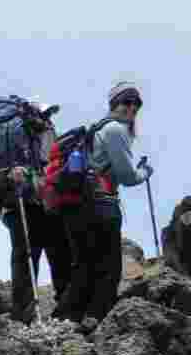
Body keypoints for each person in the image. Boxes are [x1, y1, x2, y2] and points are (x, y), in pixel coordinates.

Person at [56, 82, 152, 331]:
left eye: (136, 104)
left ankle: (63, 321)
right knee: (109, 266)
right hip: (102, 204)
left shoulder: (94, 132)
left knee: (84, 265)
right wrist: (144, 172)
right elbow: (127, 175)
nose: (132, 108)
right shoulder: (115, 130)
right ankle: (96, 318)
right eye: (127, 102)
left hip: (78, 206)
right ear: (115, 105)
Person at [0, 98, 72, 323]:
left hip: (9, 199)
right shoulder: (35, 128)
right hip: (37, 197)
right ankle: (65, 304)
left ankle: (22, 310)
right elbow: (49, 161)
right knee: (57, 248)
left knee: (24, 253)